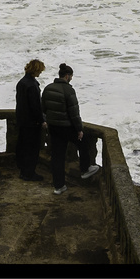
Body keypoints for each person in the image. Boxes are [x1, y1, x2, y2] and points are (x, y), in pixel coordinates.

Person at [41, 63, 100, 193]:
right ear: (67, 76)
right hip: (66, 127)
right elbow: (74, 113)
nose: (71, 79)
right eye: (71, 76)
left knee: (57, 156)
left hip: (53, 128)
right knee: (83, 142)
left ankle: (59, 186)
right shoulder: (69, 90)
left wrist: (47, 121)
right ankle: (85, 170)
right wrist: (79, 129)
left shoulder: (48, 88)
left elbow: (43, 109)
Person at [15, 59, 47, 181]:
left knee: (23, 146)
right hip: (32, 123)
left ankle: (23, 171)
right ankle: (29, 173)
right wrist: (42, 120)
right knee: (32, 148)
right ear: (36, 70)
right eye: (40, 71)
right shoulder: (32, 85)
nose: (40, 73)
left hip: (22, 120)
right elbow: (35, 106)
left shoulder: (21, 82)